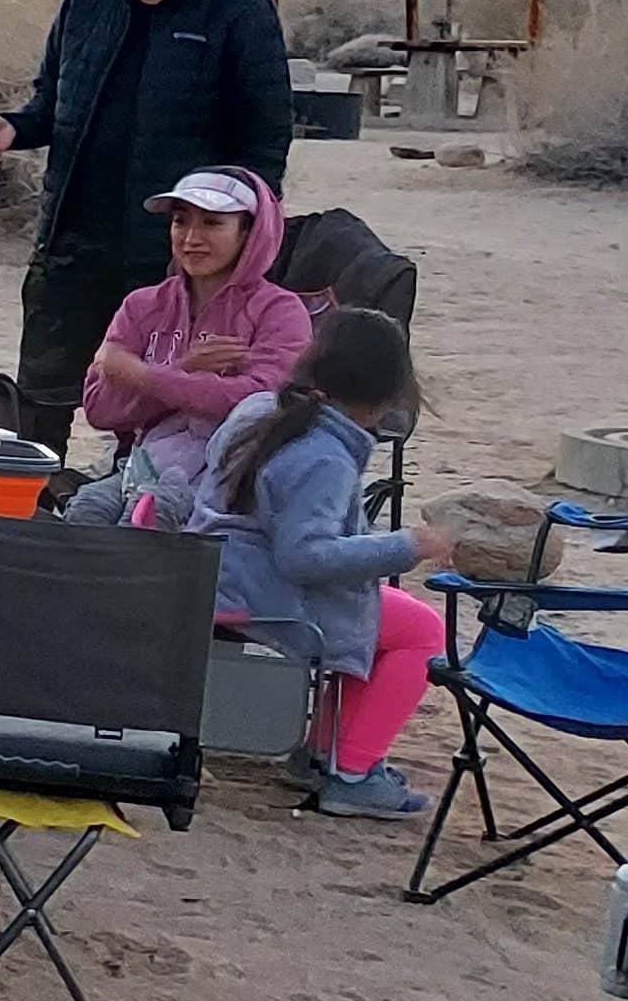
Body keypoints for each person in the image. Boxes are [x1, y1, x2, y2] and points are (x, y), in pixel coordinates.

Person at [0, 0, 296, 451]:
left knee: (156, 397)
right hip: (71, 243)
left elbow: (264, 145)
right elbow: (48, 106)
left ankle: (129, 514)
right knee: (45, 390)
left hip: (171, 252)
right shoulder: (87, 2)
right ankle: (33, 511)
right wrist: (10, 129)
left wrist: (227, 238)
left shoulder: (238, 13)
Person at [185, 307, 455, 820]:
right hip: (261, 597)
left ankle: (325, 751)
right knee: (421, 632)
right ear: (382, 401)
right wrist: (407, 546)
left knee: (386, 614)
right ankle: (351, 770)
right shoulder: (323, 456)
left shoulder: (262, 410)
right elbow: (304, 557)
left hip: (221, 572)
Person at [62, 166, 311, 526]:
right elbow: (100, 408)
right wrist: (183, 369)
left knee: (148, 521)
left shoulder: (279, 310)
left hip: (235, 480)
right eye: (180, 221)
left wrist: (143, 375)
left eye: (212, 223)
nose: (191, 237)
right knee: (86, 515)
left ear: (250, 233)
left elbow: (265, 402)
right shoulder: (143, 306)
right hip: (144, 467)